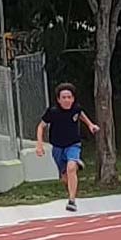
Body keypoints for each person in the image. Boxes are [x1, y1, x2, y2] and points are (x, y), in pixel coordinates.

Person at [36, 83, 98, 212]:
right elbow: (41, 126)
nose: (66, 100)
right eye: (63, 97)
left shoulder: (76, 108)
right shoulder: (52, 111)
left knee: (71, 168)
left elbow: (81, 115)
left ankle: (72, 200)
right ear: (58, 99)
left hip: (73, 144)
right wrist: (40, 145)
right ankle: (73, 174)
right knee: (65, 178)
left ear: (73, 98)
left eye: (69, 97)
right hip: (58, 147)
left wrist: (91, 125)